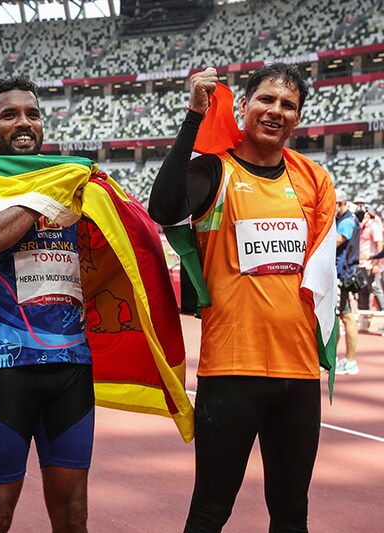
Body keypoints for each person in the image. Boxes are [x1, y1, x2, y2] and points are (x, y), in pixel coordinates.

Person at [148, 63, 336, 532]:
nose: (276, 111)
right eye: (266, 100)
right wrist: (194, 116)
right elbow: (164, 208)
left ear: (298, 117)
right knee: (210, 512)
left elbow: (321, 274)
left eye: (288, 105)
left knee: (293, 515)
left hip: (298, 373)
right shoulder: (215, 170)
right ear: (244, 107)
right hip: (232, 368)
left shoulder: (314, 180)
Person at [0, 77, 94, 532]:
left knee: (73, 514)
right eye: (9, 115)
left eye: (32, 113)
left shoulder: (73, 181)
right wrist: (42, 197)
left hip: (71, 363)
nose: (24, 123)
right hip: (4, 367)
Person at [335, 190, 361, 375]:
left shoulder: (347, 221)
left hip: (342, 275)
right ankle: (338, 359)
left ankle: (349, 361)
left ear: (340, 203)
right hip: (342, 273)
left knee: (344, 316)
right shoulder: (346, 219)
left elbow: (336, 241)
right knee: (341, 316)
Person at [356, 205, 384, 311]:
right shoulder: (363, 226)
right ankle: (364, 319)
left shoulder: (374, 226)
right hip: (362, 264)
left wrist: (375, 264)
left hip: (371, 265)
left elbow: (379, 245)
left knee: (376, 289)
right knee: (363, 290)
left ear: (369, 214)